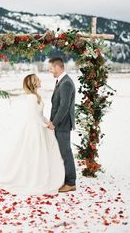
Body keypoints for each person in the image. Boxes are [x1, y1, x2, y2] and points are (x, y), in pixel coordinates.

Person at [0, 74, 65, 196]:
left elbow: (39, 115)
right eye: (37, 80)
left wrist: (48, 122)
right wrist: (45, 125)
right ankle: (33, 177)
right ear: (33, 83)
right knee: (34, 153)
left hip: (39, 126)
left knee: (39, 153)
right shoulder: (31, 98)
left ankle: (39, 175)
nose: (40, 80)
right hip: (34, 129)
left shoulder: (36, 96)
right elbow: (33, 116)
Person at [47, 57, 76, 193]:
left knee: (66, 152)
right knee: (63, 152)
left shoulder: (66, 83)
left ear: (58, 67)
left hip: (63, 124)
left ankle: (70, 182)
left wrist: (54, 123)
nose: (50, 71)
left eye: (51, 68)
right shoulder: (61, 81)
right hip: (60, 123)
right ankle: (65, 179)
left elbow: (64, 107)